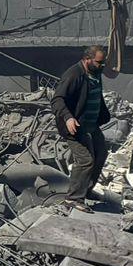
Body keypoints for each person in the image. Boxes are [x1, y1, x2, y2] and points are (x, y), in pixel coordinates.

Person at [52, 44, 111, 202]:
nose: (101, 66)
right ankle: (74, 198)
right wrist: (68, 117)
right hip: (74, 126)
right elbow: (57, 99)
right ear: (87, 59)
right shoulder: (73, 74)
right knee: (85, 160)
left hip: (90, 124)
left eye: (103, 62)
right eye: (99, 62)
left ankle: (86, 190)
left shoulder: (95, 72)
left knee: (101, 154)